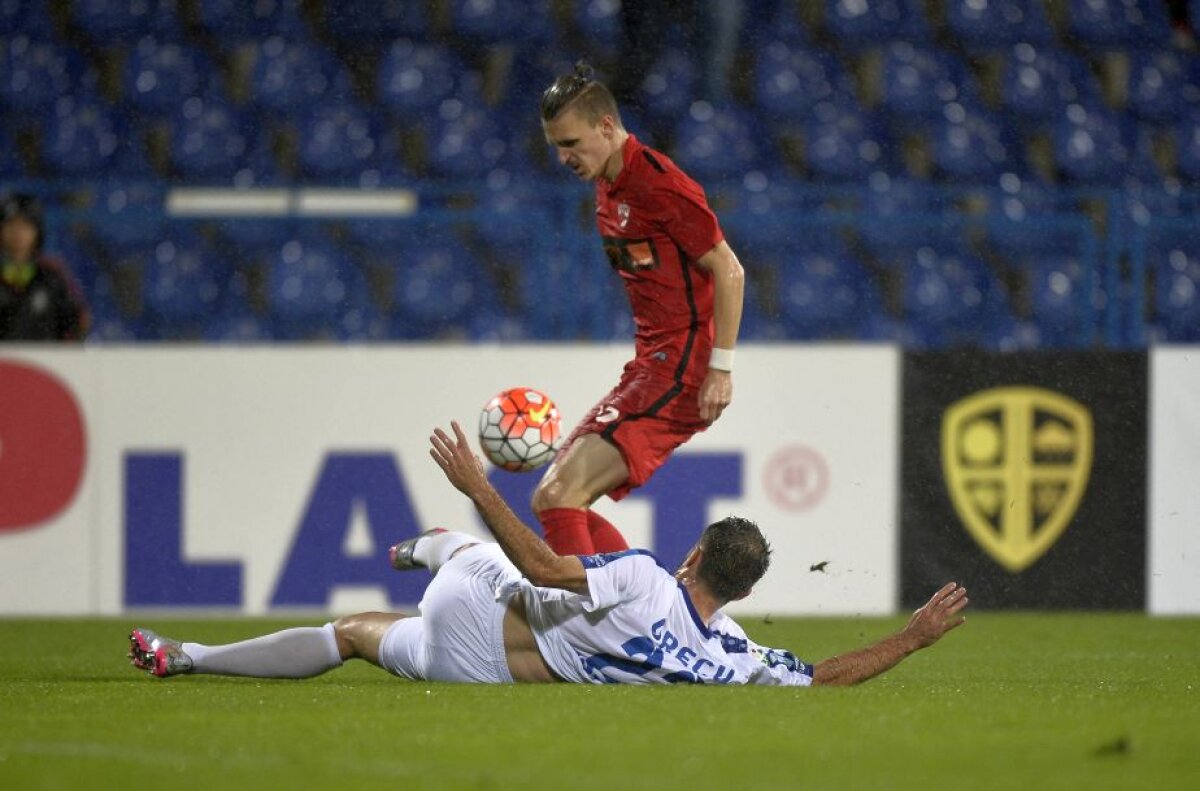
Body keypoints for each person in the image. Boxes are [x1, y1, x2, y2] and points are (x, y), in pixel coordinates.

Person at [129, 421, 969, 686]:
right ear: (743, 589)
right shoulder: (736, 661)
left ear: (693, 557)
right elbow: (824, 677)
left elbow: (539, 566)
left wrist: (478, 481)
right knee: (354, 633)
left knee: (463, 547)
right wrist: (913, 637)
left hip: (490, 603)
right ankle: (188, 659)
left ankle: (420, 545)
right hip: (482, 672)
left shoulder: (645, 574)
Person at [532, 62, 746, 556]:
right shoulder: (608, 187)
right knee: (562, 503)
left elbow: (730, 270)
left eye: (571, 143)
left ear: (606, 126)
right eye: (556, 147)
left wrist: (721, 369)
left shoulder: (658, 183)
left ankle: (604, 622)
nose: (564, 158)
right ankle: (631, 609)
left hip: (681, 370)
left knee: (557, 495)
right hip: (652, 365)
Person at [0, 193, 90, 341]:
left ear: (37, 231)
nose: (17, 233)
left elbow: (78, 321)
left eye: (25, 225)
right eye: (11, 225)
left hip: (43, 360)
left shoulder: (52, 275)